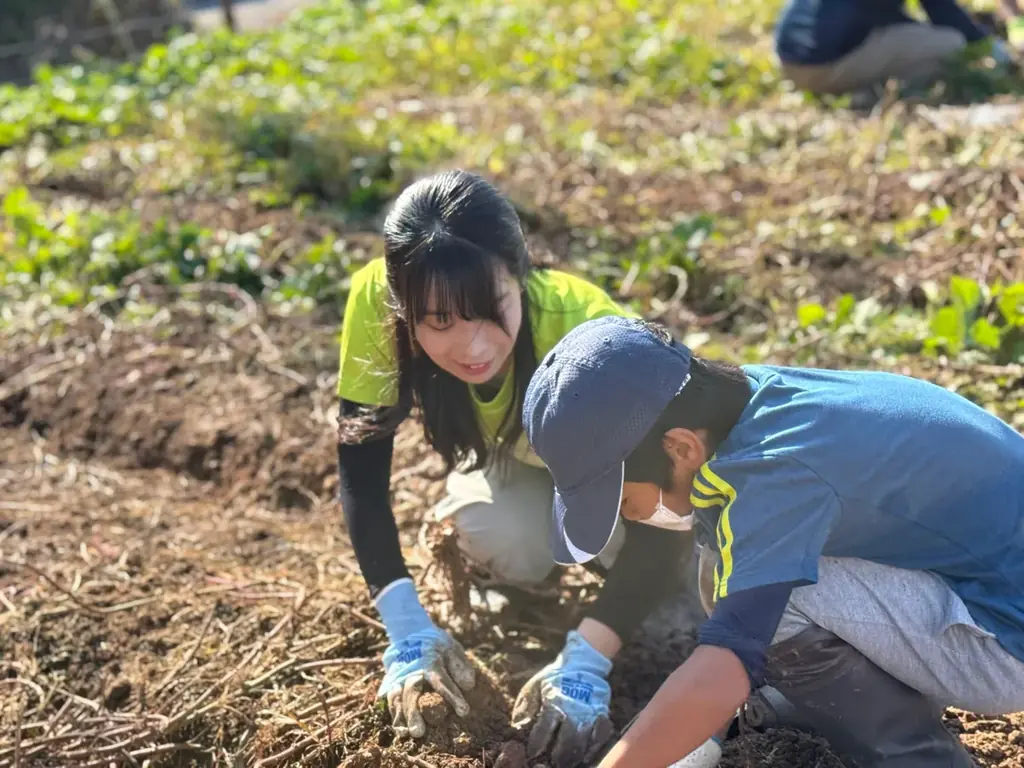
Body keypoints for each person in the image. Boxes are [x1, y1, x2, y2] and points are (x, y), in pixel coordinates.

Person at [522, 314, 1024, 768]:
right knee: (731, 562)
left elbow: (731, 656)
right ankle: (830, 702)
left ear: (681, 447)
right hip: (983, 578)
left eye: (623, 500)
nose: (629, 516)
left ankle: (920, 758)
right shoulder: (751, 401)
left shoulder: (774, 473)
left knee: (773, 593)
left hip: (1007, 637)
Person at [335, 170, 699, 767]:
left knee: (656, 570)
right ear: (403, 307)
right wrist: (406, 632)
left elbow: (664, 510)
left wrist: (588, 657)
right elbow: (362, 474)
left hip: (623, 481)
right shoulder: (379, 302)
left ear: (520, 275)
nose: (473, 347)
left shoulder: (585, 332)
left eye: (488, 310)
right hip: (520, 464)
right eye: (440, 322)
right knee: (498, 534)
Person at [774, 0, 1013, 96]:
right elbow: (948, 18)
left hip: (789, 63)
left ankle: (857, 90)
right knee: (951, 43)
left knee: (925, 37)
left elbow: (883, 17)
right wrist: (995, 50)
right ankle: (871, 94)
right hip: (825, 67)